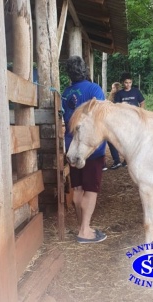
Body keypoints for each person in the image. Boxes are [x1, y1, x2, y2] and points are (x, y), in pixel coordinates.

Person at [62, 56, 107, 243]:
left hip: (72, 145)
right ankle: (84, 231)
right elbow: (102, 117)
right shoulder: (94, 90)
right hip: (90, 147)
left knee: (78, 187)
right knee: (91, 189)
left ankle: (83, 225)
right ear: (85, 69)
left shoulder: (66, 93)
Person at [114, 73, 145, 167]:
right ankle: (126, 159)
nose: (128, 84)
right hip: (124, 120)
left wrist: (141, 111)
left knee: (136, 138)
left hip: (135, 119)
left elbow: (142, 102)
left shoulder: (136, 91)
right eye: (126, 82)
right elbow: (116, 107)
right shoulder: (119, 94)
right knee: (126, 139)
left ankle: (136, 158)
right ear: (123, 83)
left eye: (130, 82)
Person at [107, 82, 123, 169]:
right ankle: (118, 160)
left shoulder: (119, 96)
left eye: (114, 88)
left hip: (118, 123)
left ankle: (117, 160)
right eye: (112, 87)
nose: (112, 89)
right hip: (114, 122)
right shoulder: (111, 97)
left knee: (112, 141)